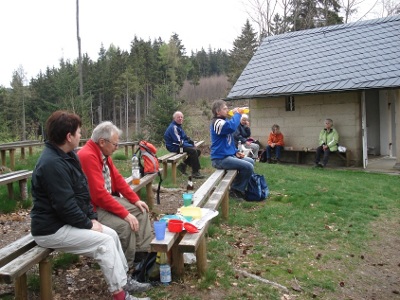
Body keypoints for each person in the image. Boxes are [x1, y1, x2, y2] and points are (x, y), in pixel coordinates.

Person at [30, 111, 150, 300]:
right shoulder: (52, 164)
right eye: (78, 132)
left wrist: (91, 218)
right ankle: (120, 295)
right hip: (50, 229)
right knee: (105, 242)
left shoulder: (67, 156)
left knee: (110, 234)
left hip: (63, 221)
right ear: (68, 137)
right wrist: (88, 223)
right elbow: (65, 205)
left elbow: (82, 194)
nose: (81, 136)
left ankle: (124, 282)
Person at [77, 121, 153, 270]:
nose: (116, 148)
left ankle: (142, 257)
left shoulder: (103, 153)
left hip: (106, 200)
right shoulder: (87, 156)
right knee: (125, 226)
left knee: (142, 211)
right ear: (102, 142)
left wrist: (135, 200)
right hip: (93, 207)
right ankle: (126, 269)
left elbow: (118, 180)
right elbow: (98, 195)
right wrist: (125, 214)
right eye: (115, 144)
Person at [210, 100, 255, 199]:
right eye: (224, 108)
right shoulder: (217, 122)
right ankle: (236, 190)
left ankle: (238, 186)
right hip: (219, 159)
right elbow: (231, 127)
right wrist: (238, 114)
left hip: (227, 156)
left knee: (250, 161)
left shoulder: (224, 121)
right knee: (248, 167)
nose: (227, 110)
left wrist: (236, 152)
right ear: (218, 111)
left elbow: (228, 141)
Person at [164, 111, 204, 179]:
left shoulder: (178, 126)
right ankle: (195, 172)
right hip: (175, 147)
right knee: (193, 151)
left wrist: (191, 142)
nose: (180, 118)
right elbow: (179, 142)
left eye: (181, 117)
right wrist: (191, 146)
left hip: (179, 146)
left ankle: (182, 166)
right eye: (178, 117)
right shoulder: (173, 127)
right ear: (174, 118)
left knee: (197, 151)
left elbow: (185, 137)